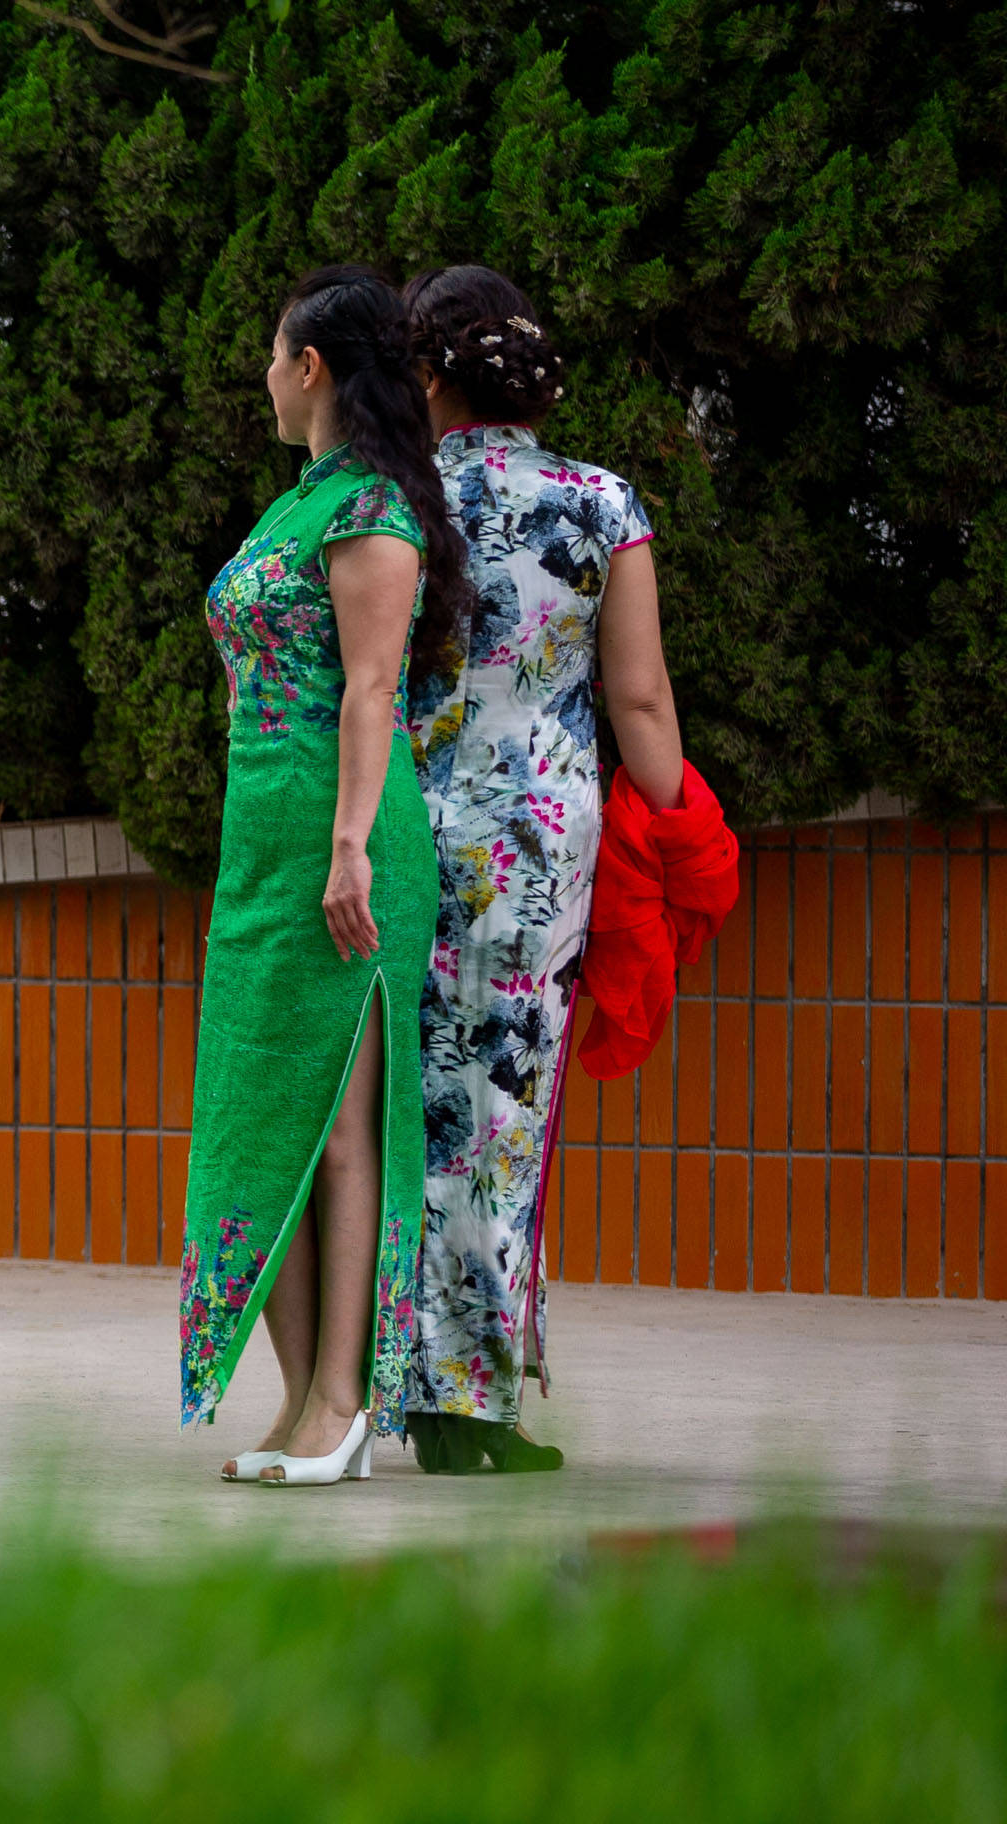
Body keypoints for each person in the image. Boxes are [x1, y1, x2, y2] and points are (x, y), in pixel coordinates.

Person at [178, 265, 468, 1487]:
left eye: (271, 350)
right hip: (264, 843)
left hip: (343, 842)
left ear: (311, 368)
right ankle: (302, 1396)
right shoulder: (297, 505)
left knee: (343, 1128)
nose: (261, 371)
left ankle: (342, 1403)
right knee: (260, 1112)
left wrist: (351, 844)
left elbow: (370, 690)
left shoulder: (374, 514)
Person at [399, 266, 685, 1475]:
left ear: (429, 375)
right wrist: (679, 835)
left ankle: (395, 1384)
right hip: (537, 846)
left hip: (405, 830)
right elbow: (638, 695)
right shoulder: (604, 504)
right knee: (504, 1112)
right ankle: (479, 1398)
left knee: (411, 1105)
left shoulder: (389, 503)